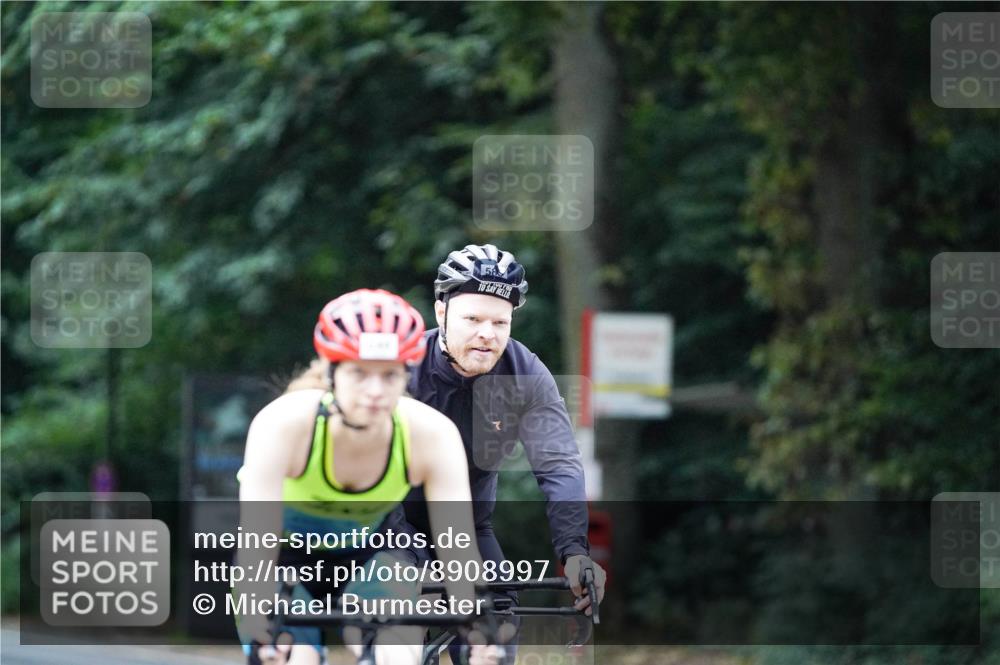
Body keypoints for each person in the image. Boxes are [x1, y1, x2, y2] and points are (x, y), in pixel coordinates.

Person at [237, 288, 500, 665]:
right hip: (281, 560)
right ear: (332, 373)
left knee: (398, 656)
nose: (375, 391)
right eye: (359, 373)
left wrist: (477, 628)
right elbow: (256, 543)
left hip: (371, 557)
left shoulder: (430, 434)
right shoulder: (283, 425)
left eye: (390, 375)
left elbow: (458, 548)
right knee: (297, 660)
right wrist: (264, 628)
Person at [394, 244, 608, 659]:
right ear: (441, 313)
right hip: (390, 521)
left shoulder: (525, 373)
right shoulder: (402, 369)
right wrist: (412, 563)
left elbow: (560, 465)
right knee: (402, 628)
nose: (487, 334)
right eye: (472, 319)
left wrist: (575, 552)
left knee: (498, 629)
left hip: (470, 526)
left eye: (499, 321)